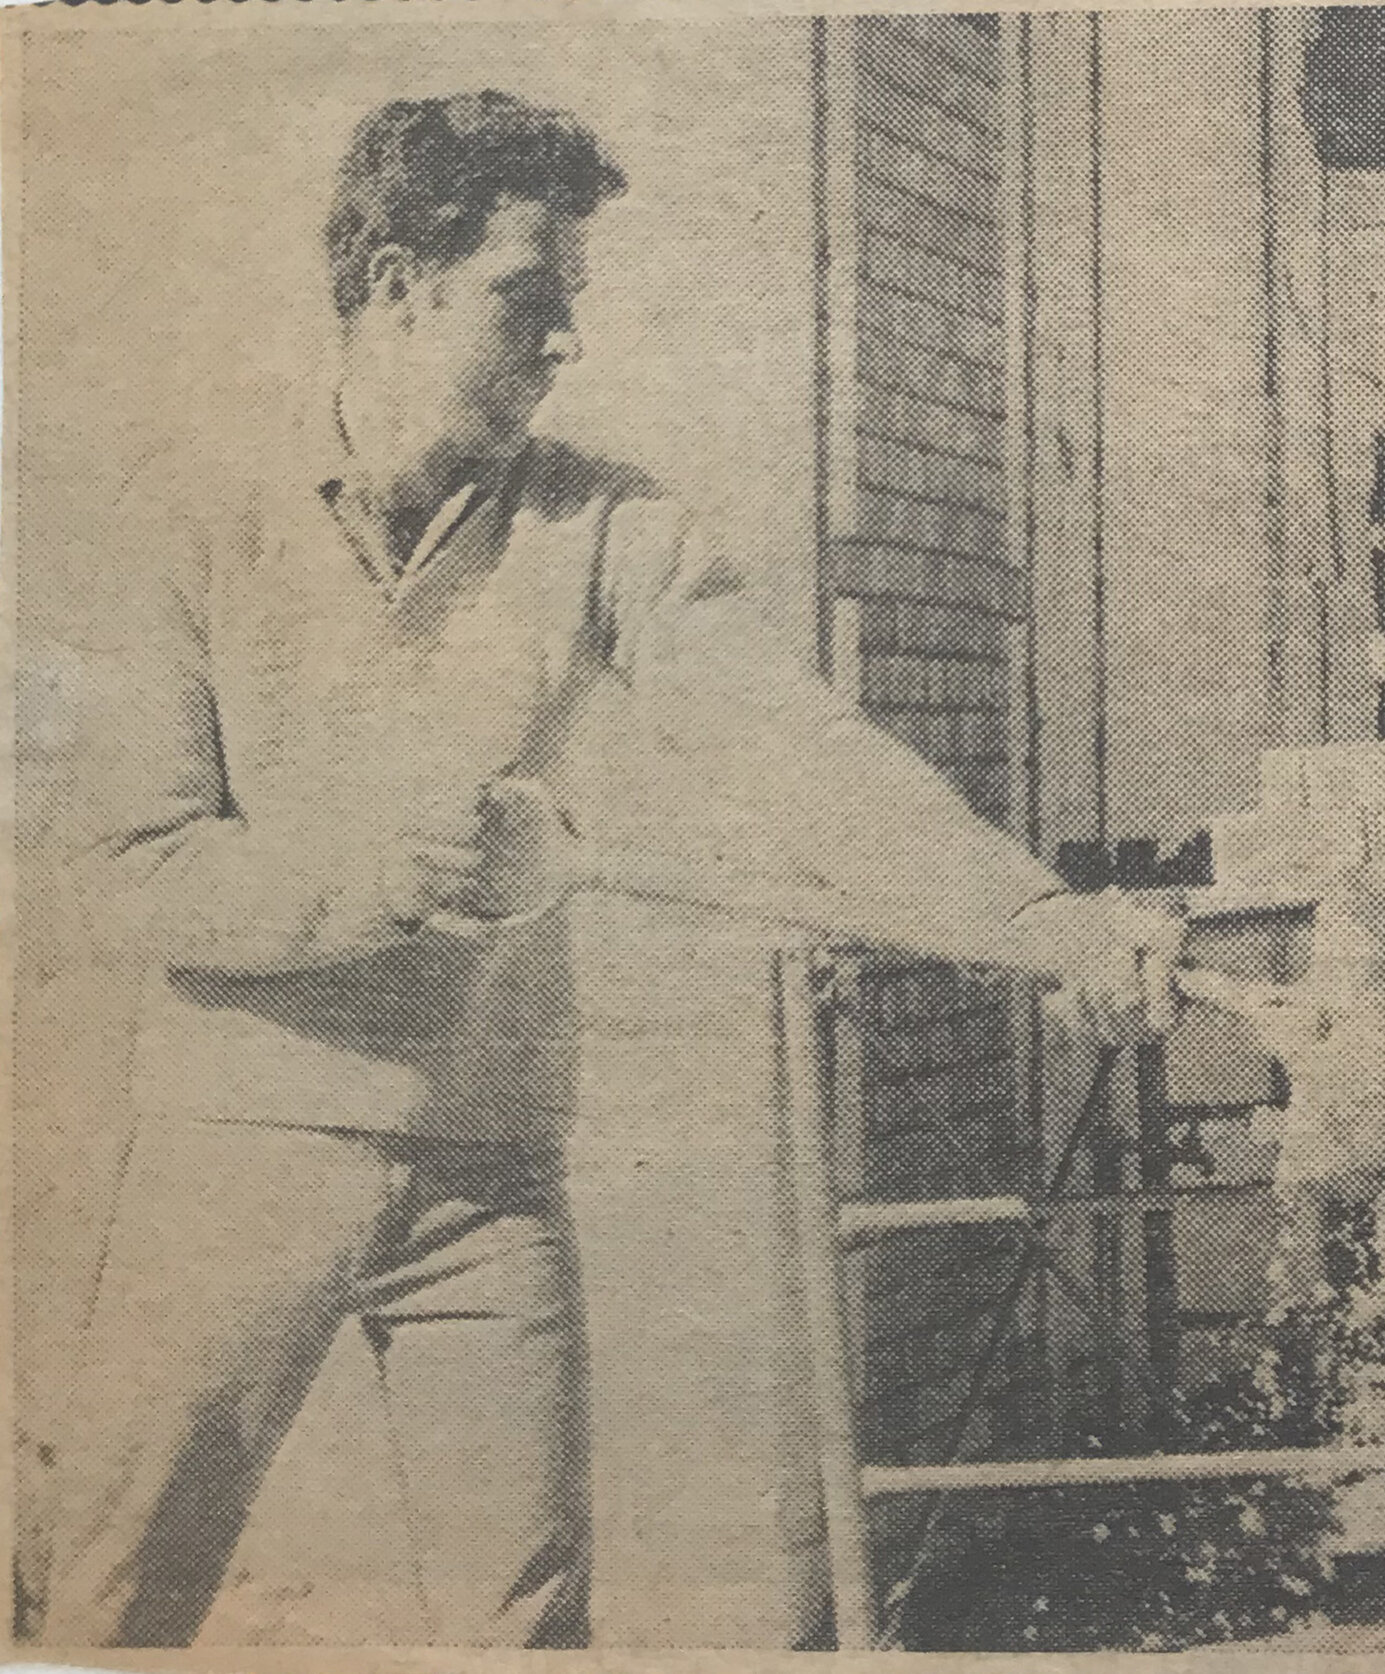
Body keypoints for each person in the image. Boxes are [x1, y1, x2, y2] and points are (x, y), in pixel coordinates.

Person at [39, 90, 1174, 1649]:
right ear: (394, 286)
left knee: (528, 1630)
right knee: (104, 1611)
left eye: (575, 302)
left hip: (485, 1173)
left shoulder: (603, 522)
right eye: (528, 298)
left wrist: (1032, 914)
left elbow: (803, 754)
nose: (565, 339)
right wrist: (367, 876)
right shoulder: (189, 518)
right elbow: (120, 869)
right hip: (229, 1158)